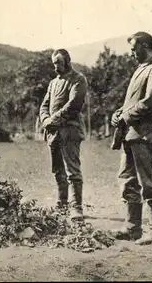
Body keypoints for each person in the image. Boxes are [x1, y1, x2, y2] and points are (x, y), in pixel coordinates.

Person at [110, 32, 152, 245]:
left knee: (150, 183)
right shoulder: (142, 68)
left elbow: (151, 102)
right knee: (128, 180)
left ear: (146, 46)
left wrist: (125, 117)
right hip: (132, 134)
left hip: (147, 133)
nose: (131, 53)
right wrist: (119, 113)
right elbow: (133, 101)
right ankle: (132, 228)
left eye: (134, 48)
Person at [39, 49, 88, 221]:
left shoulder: (78, 80)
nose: (56, 66)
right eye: (53, 63)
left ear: (68, 61)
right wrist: (45, 120)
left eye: (58, 62)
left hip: (70, 131)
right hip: (53, 133)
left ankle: (77, 207)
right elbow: (44, 106)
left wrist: (54, 119)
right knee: (57, 170)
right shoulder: (53, 83)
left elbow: (74, 105)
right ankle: (62, 203)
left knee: (72, 170)